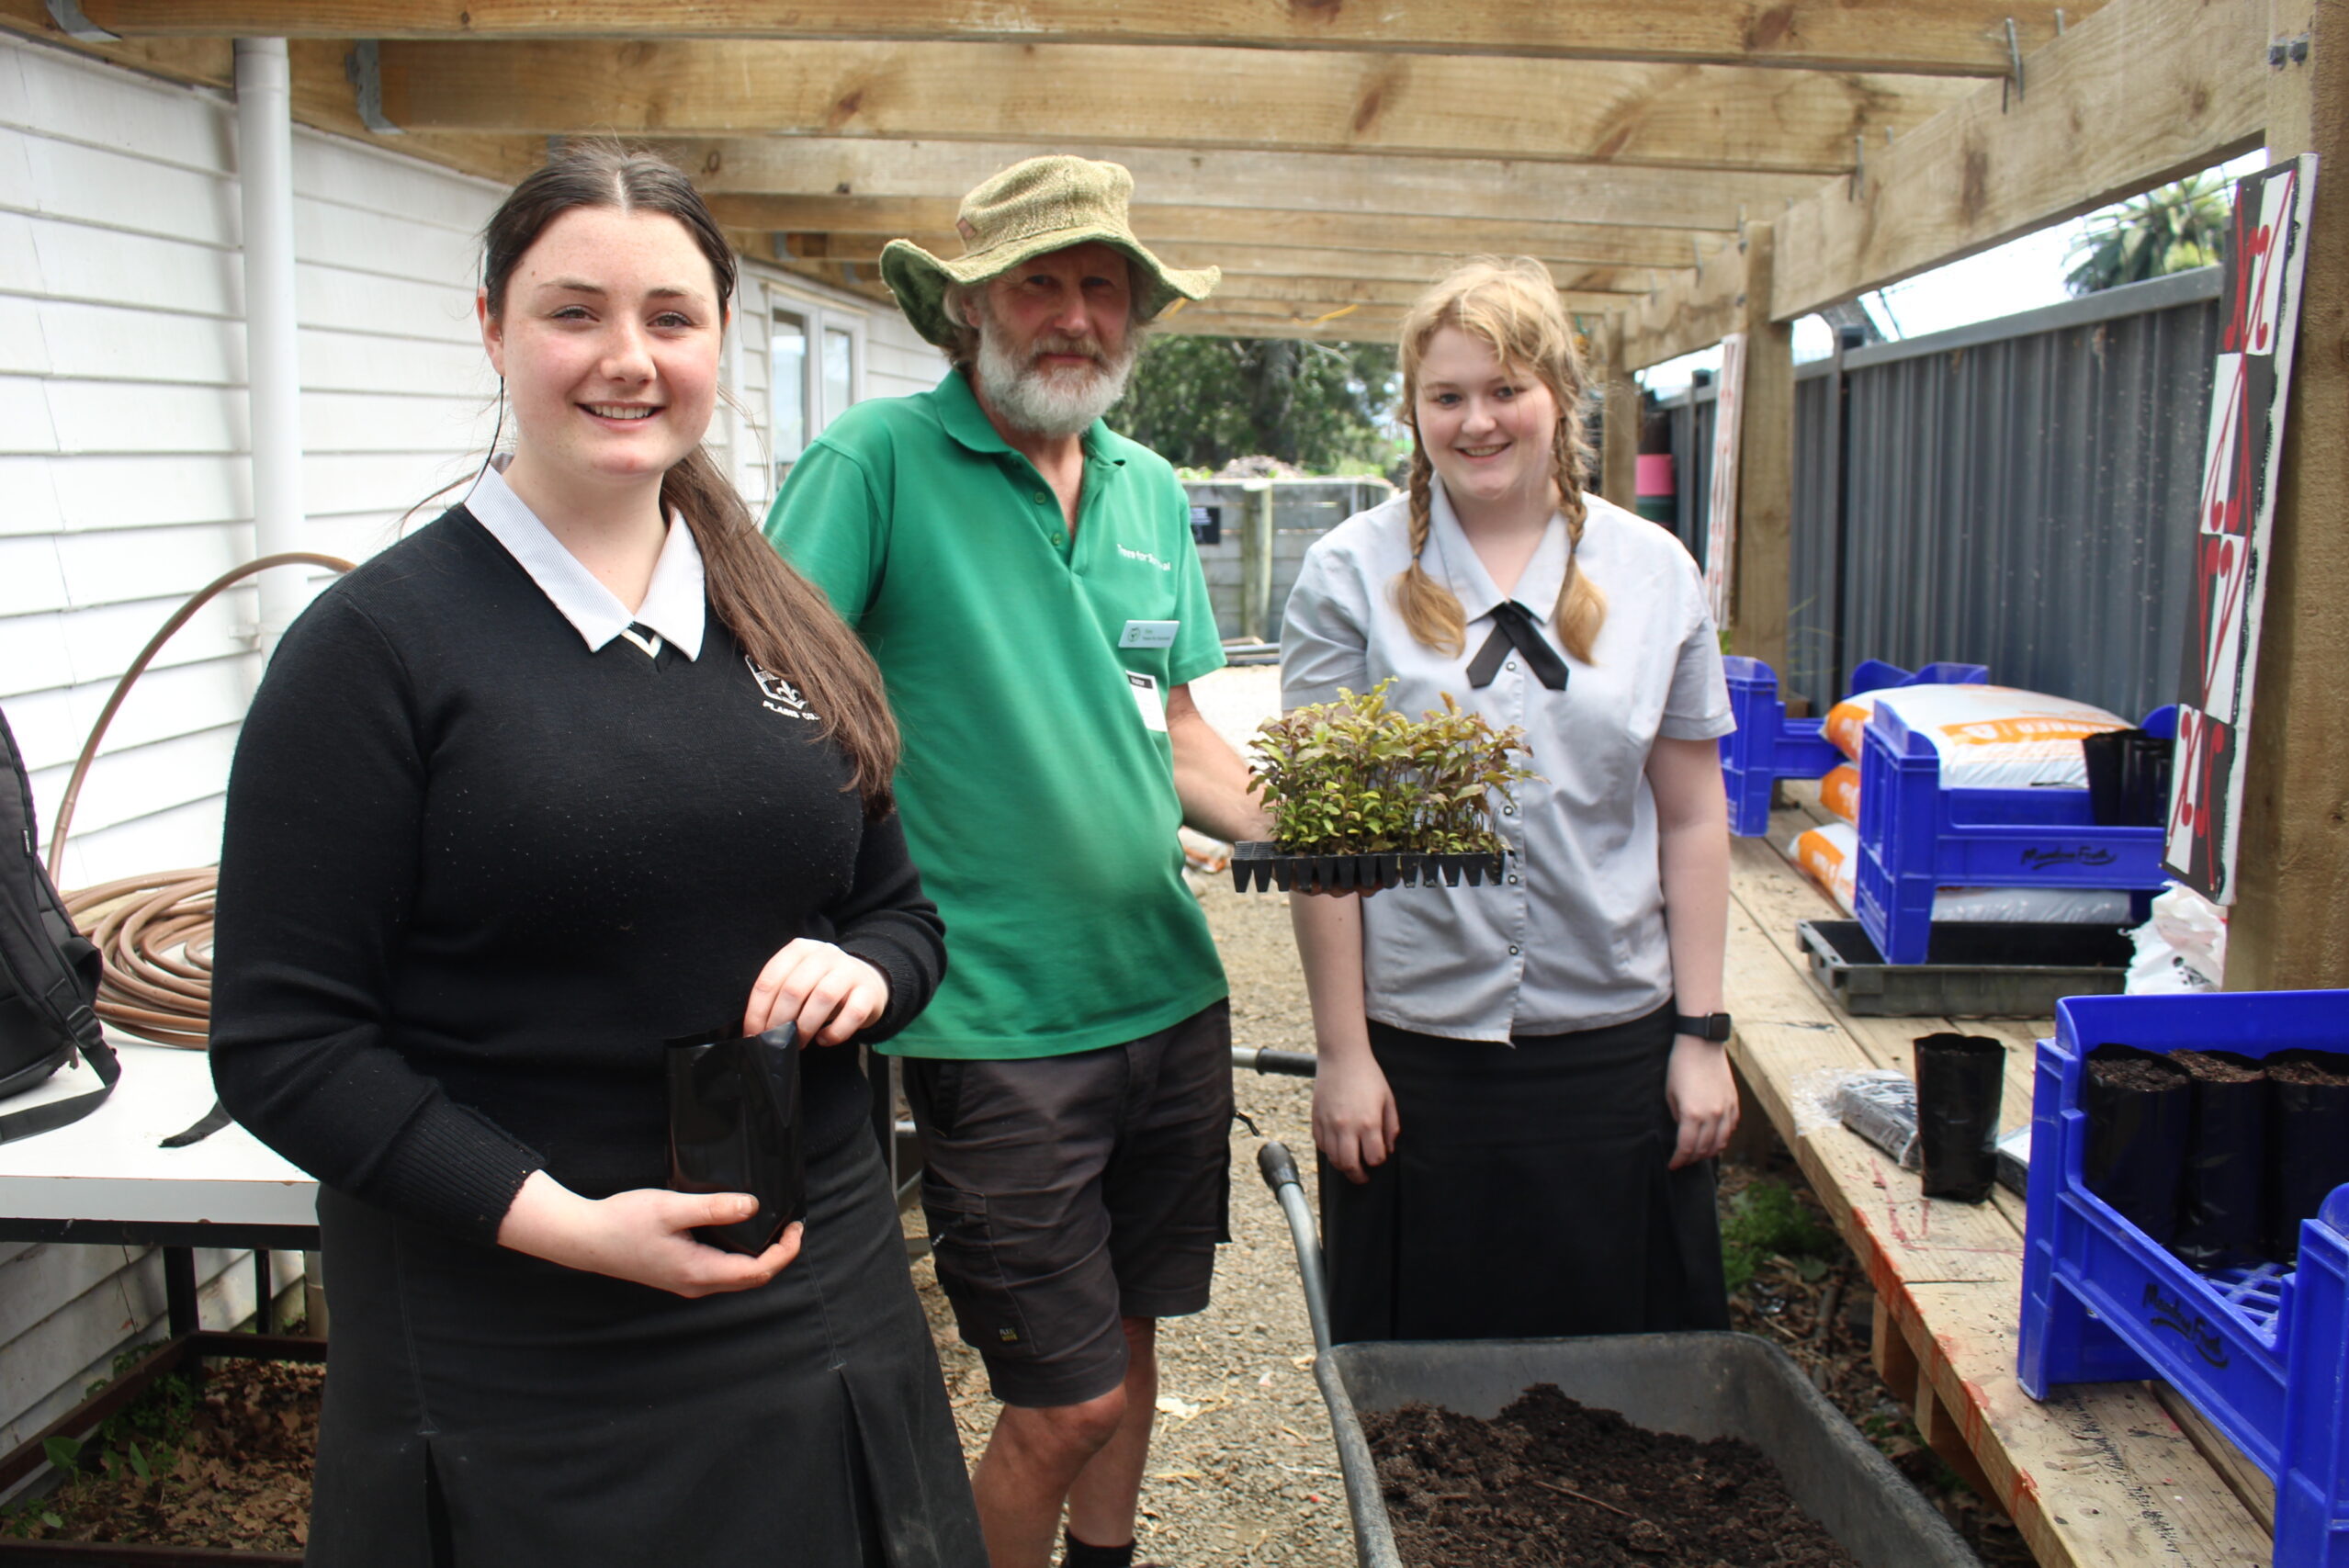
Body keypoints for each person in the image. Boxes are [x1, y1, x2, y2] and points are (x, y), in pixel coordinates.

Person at [209, 144, 987, 1568]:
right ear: (493, 326)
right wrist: (564, 1221)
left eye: (670, 319)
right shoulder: (377, 654)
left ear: (718, 340)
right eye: (574, 312)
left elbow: (904, 917)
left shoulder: (788, 625)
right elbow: (286, 1044)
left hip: (814, 1321)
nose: (626, 359)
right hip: (518, 1350)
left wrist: (860, 971)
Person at [762, 156, 1270, 1568]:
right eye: (1038, 282)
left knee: (1130, 1339)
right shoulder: (875, 464)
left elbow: (1172, 732)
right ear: (968, 302)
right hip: (996, 1017)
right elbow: (780, 706)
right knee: (1063, 1399)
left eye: (1101, 285)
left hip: (1169, 994)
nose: (1073, 315)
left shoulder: (1149, 489)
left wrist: (1307, 829)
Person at [1282, 256, 1740, 1346]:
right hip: (1420, 1056)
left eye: (1505, 389)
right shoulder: (1349, 573)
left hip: (1612, 1047)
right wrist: (1344, 1054)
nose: (1477, 421)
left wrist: (1702, 1035)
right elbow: (1325, 835)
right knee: (1426, 1399)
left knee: (1628, 1379)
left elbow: (1690, 816)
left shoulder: (1651, 573)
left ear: (1560, 399)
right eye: (1446, 396)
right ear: (1413, 411)